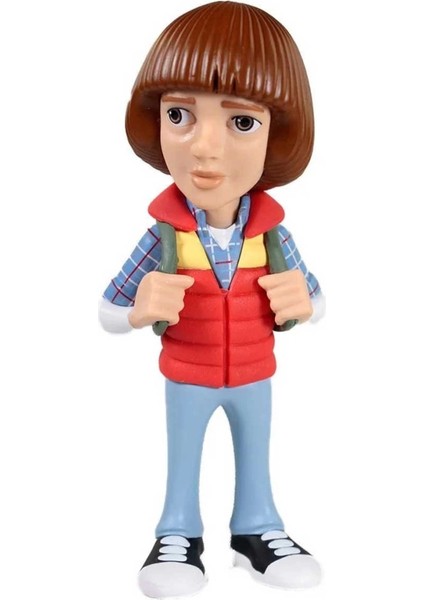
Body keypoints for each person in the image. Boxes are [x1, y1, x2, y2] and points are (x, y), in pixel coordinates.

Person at [99, 2, 325, 597]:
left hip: (255, 373)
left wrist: (305, 303)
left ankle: (257, 529)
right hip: (187, 374)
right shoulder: (162, 238)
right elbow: (108, 309)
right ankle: (178, 532)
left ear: (279, 134)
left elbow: (314, 297)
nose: (204, 147)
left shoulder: (272, 236)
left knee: (256, 455)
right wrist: (137, 310)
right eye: (179, 115)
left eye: (241, 122)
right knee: (184, 458)